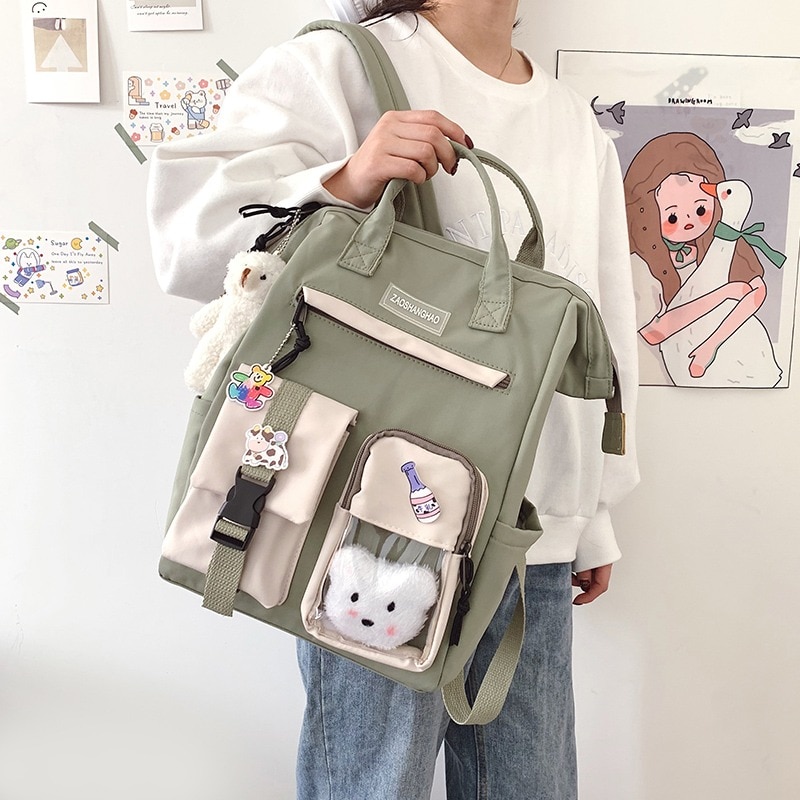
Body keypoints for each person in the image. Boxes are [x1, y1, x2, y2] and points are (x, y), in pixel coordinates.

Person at [147, 1, 639, 797]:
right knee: (373, 785)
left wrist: (595, 510)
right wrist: (343, 182)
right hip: (372, 522)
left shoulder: (572, 121)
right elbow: (188, 243)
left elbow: (601, 328)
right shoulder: (340, 65)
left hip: (530, 529)